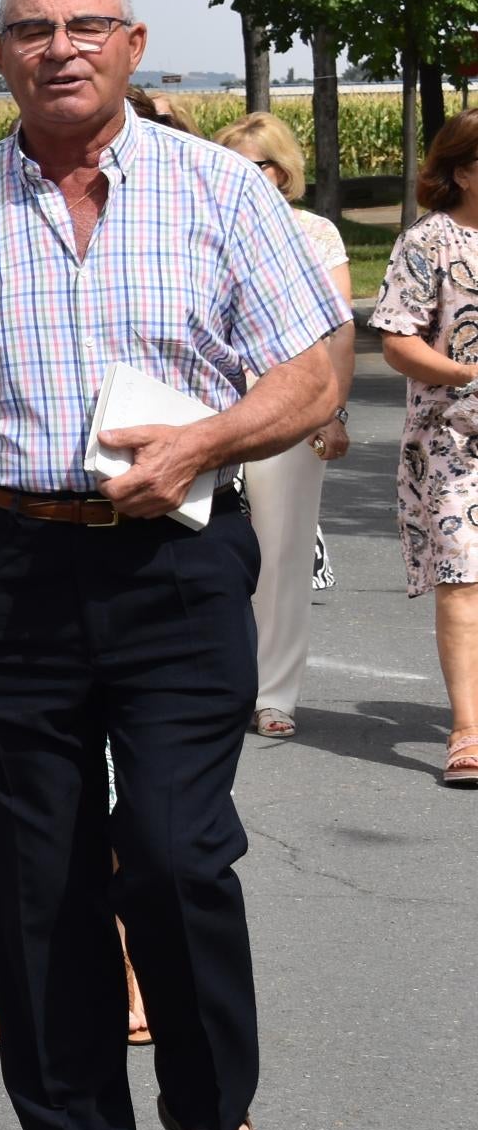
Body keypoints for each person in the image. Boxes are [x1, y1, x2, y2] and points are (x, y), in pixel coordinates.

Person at [0, 0, 346, 1130]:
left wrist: (208, 442)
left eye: (85, 26)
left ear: (129, 44)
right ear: (0, 53)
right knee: (38, 867)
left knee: (178, 848)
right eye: (31, 28)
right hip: (7, 565)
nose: (59, 46)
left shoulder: (221, 189)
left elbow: (317, 369)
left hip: (175, 563)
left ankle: (214, 1115)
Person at [215, 113, 353, 740]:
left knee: (282, 552)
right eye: (234, 164)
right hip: (208, 404)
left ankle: (275, 694)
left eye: (257, 166)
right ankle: (215, 682)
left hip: (287, 406)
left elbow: (338, 330)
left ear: (283, 171)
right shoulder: (204, 224)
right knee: (206, 549)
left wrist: (331, 409)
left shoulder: (314, 233)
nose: (245, 176)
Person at [371, 109, 478, 786]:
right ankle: (468, 731)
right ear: (465, 172)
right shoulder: (427, 243)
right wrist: (468, 372)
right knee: (464, 578)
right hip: (453, 445)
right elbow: (397, 341)